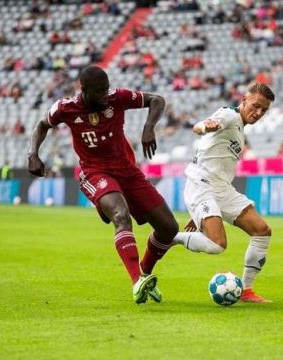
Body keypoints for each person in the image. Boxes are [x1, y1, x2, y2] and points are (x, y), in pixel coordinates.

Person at [28, 65, 178, 304]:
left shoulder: (116, 98)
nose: (104, 96)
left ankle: (144, 273)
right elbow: (41, 125)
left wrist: (149, 127)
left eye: (106, 90)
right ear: (84, 89)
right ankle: (137, 281)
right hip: (95, 172)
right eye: (99, 92)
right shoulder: (65, 107)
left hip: (128, 172)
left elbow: (157, 100)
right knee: (121, 215)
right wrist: (33, 154)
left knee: (169, 228)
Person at [172, 83, 275, 303]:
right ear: (244, 99)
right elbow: (199, 127)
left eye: (264, 110)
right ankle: (171, 237)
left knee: (262, 231)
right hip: (203, 184)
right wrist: (206, 126)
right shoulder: (229, 115)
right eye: (256, 106)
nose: (258, 113)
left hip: (221, 189)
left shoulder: (239, 129)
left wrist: (198, 214)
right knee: (218, 244)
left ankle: (246, 291)